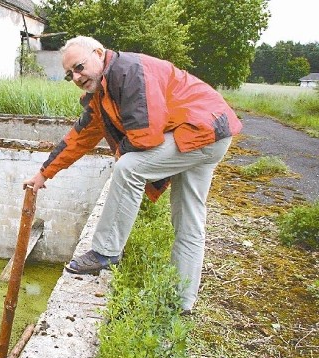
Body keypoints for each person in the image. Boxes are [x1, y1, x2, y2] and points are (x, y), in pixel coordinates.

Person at [23, 36, 242, 312]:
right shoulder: (101, 93)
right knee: (189, 219)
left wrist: (121, 155)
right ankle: (181, 302)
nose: (77, 77)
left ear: (99, 53)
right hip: (211, 131)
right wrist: (43, 174)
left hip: (201, 129)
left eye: (79, 67)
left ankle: (105, 252)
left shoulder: (128, 72)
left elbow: (145, 137)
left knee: (128, 168)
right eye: (70, 75)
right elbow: (78, 138)